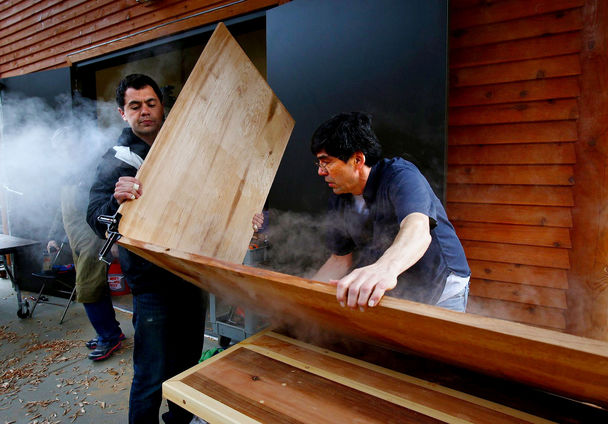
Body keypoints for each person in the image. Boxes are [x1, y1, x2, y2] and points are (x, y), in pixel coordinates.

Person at [87, 74, 206, 424]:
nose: (145, 112)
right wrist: (115, 200)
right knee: (151, 375)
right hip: (150, 283)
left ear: (162, 105)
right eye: (135, 106)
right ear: (122, 113)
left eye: (151, 103)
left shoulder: (187, 147)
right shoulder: (116, 158)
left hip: (191, 274)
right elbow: (94, 215)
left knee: (186, 369)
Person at [309, 112, 470, 312]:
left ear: (357, 160)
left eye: (327, 163)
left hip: (442, 285)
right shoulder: (340, 196)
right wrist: (303, 299)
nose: (321, 172)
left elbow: (417, 229)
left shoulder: (401, 176)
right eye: (319, 164)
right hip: (403, 288)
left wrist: (384, 268)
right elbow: (339, 260)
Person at [47, 126, 124, 361]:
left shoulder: (94, 171)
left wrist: (113, 237)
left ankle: (108, 338)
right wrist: (54, 236)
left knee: (88, 289)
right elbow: (61, 212)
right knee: (94, 289)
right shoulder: (66, 173)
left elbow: (110, 206)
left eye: (68, 147)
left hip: (94, 240)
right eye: (59, 149)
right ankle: (111, 332)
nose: (64, 152)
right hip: (76, 241)